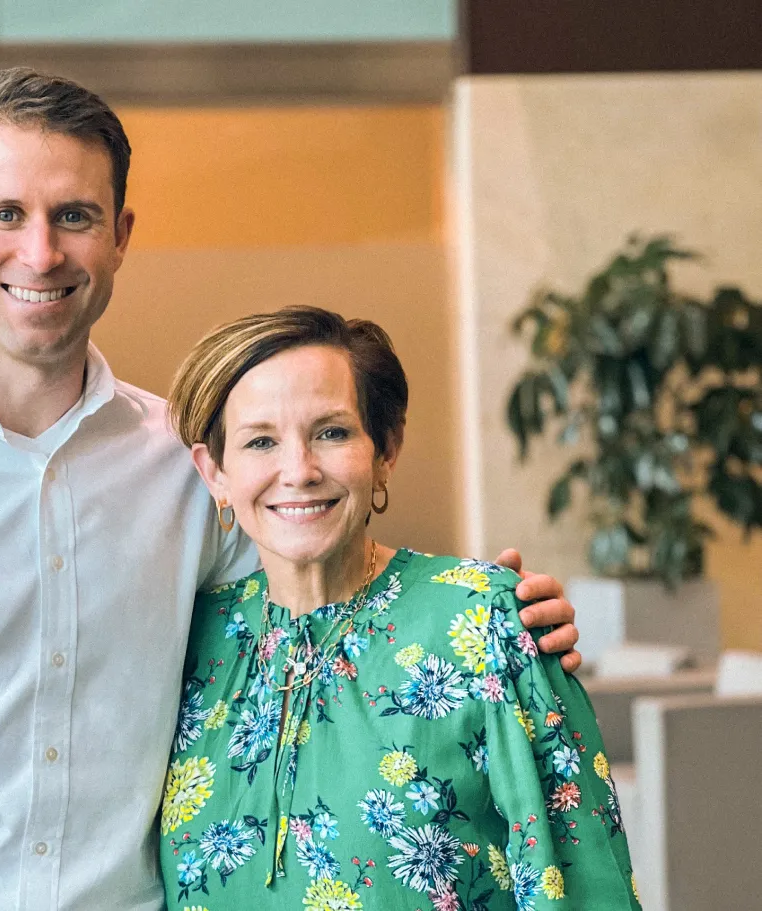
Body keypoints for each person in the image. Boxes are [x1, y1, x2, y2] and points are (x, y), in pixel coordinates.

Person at [0, 70, 581, 911]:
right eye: (3, 213)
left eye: (73, 214)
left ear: (120, 236)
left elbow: (319, 608)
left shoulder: (190, 467)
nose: (40, 250)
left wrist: (488, 627)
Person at [159, 306, 638, 910]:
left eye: (331, 432)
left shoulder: (483, 621)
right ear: (216, 472)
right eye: (260, 441)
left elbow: (577, 881)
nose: (299, 471)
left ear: (385, 449)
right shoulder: (189, 640)